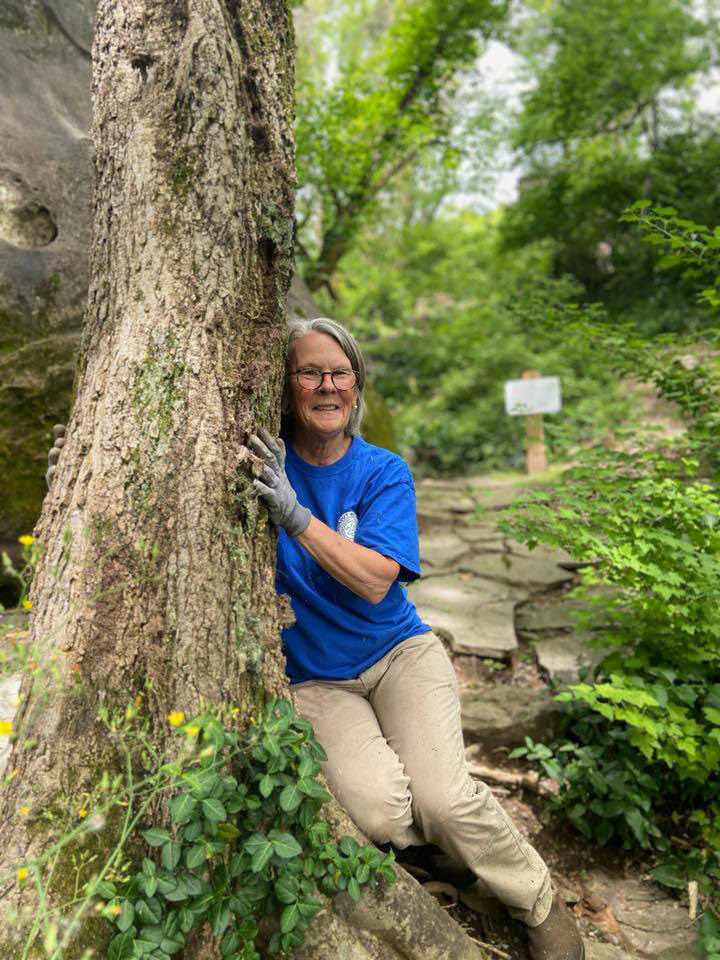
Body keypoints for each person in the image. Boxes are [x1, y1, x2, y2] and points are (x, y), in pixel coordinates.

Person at [248, 317, 584, 960]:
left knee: (446, 798)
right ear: (286, 386)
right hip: (315, 678)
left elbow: (376, 580)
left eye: (338, 372)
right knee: (375, 812)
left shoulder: (382, 470)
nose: (325, 385)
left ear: (356, 384)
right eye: (308, 372)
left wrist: (296, 517)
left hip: (400, 655)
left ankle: (536, 898)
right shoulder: (265, 462)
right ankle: (440, 857)